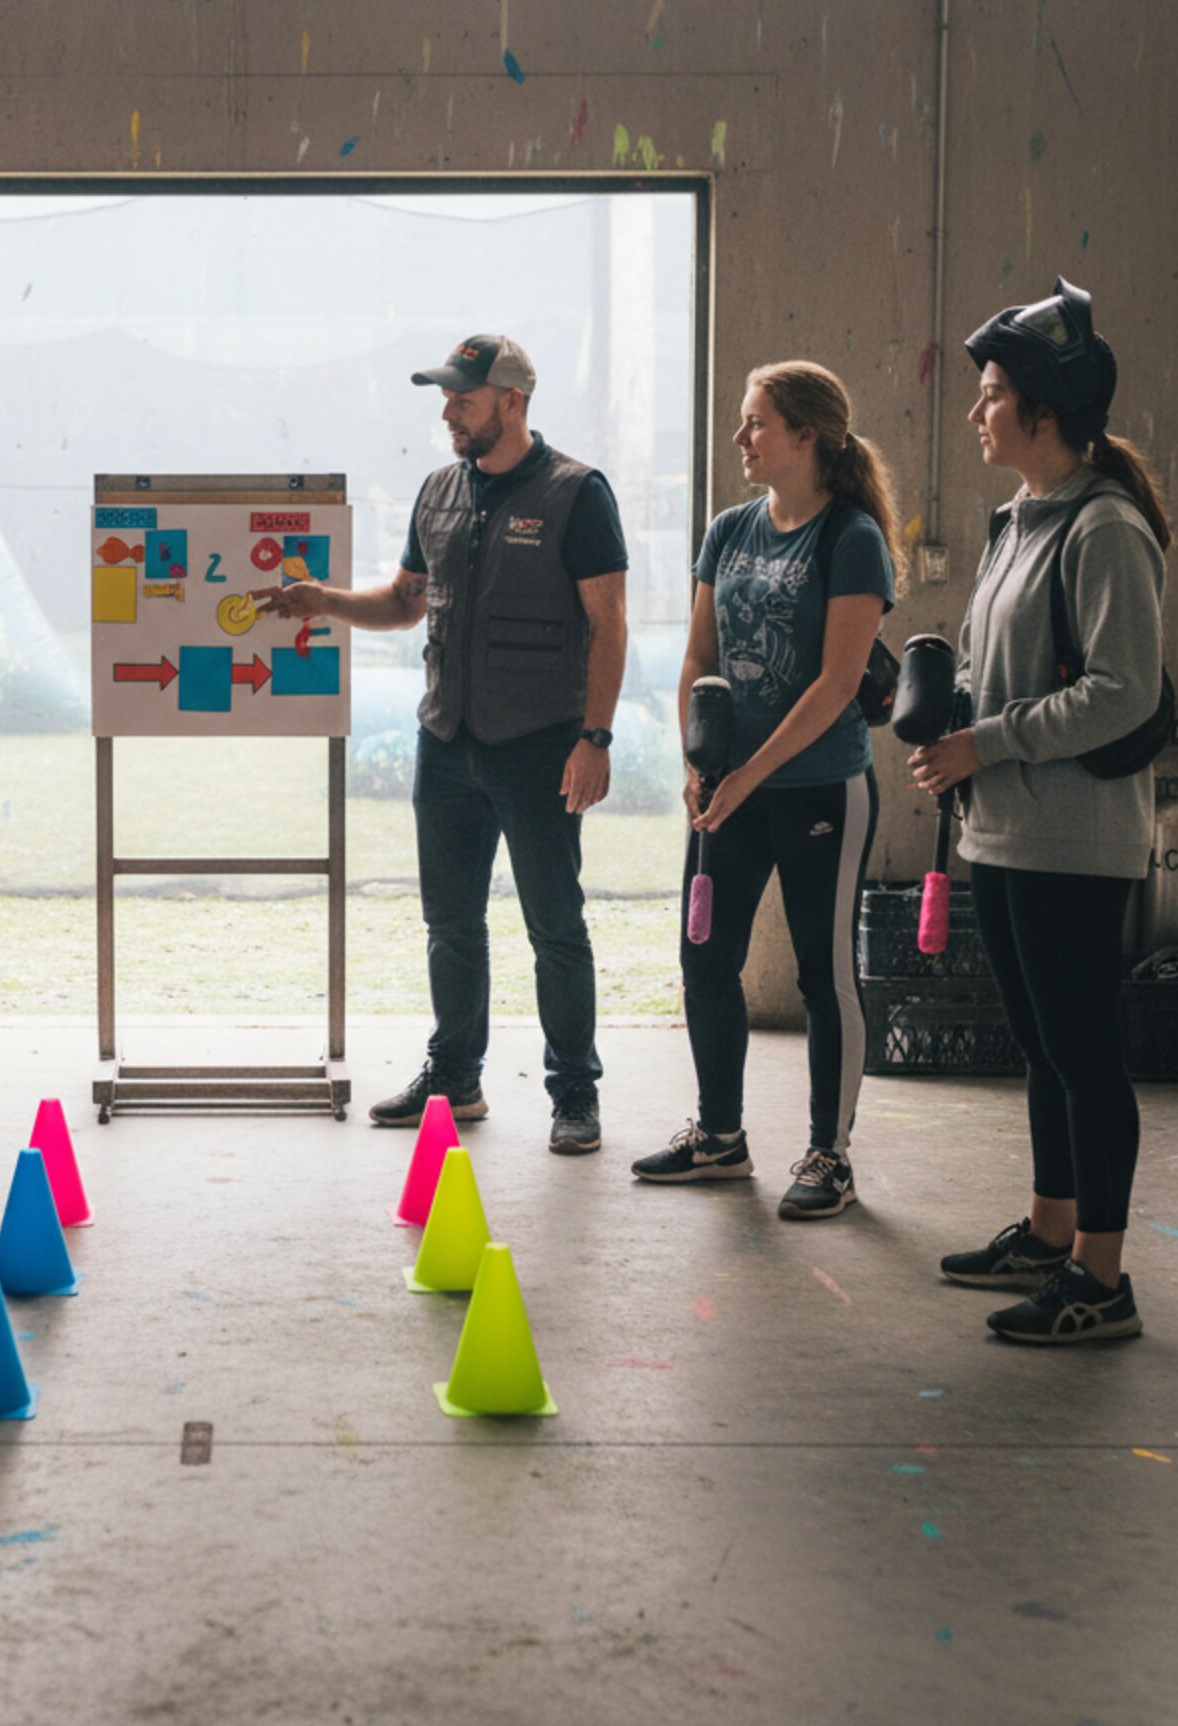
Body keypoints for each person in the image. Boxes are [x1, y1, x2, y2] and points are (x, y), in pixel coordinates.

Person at [254, 334, 628, 1153]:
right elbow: (404, 602)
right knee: (450, 925)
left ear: (513, 402)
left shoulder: (578, 494)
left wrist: (595, 739)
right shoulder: (437, 492)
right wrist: (324, 601)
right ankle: (456, 1078)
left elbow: (608, 625)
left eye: (464, 396)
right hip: (446, 744)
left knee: (555, 925)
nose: (449, 410)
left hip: (539, 746)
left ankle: (574, 1093)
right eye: (446, 397)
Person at [911, 279, 1167, 1344]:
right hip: (1006, 825)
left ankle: (1100, 1282)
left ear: (1042, 410)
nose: (974, 413)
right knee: (1038, 1043)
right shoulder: (1016, 521)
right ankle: (1048, 1229)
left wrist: (989, 738)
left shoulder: (1104, 529)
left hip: (1074, 835)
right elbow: (994, 662)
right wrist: (940, 718)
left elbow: (1124, 689)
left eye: (988, 394)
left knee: (1081, 1051)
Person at [631, 361, 899, 1218]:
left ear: (805, 436)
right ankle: (719, 1138)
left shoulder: (850, 538)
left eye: (756, 423)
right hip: (728, 792)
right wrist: (695, 761)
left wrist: (750, 773)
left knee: (825, 978)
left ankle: (830, 1157)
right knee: (705, 959)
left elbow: (834, 684)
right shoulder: (730, 529)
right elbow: (698, 659)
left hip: (821, 788)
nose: (741, 438)